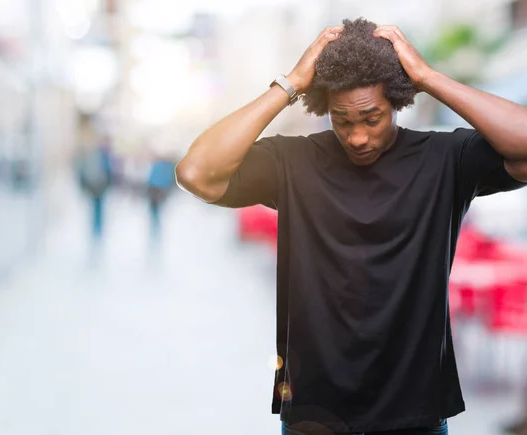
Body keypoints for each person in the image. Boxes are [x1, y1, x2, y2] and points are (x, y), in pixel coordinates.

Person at [175, 18, 527, 435]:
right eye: (343, 121)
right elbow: (196, 173)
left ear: (397, 102)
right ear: (324, 108)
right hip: (315, 407)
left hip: (415, 407)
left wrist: (428, 78)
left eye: (372, 118)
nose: (357, 136)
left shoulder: (444, 159)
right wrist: (289, 84)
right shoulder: (294, 162)